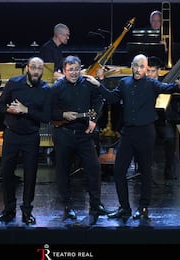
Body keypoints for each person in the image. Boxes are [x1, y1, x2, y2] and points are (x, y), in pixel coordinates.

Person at [96, 54, 180, 221]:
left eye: (142, 67)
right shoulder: (124, 83)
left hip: (146, 133)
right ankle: (124, 208)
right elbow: (111, 97)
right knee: (119, 171)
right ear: (131, 66)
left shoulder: (151, 84)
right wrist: (99, 82)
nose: (138, 69)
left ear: (146, 69)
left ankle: (143, 208)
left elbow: (168, 88)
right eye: (136, 66)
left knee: (145, 172)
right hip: (128, 134)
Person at [50, 55, 111, 225]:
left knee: (93, 168)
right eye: (70, 70)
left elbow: (99, 99)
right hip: (63, 134)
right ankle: (67, 206)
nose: (74, 73)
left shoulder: (88, 84)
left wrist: (94, 119)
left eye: (77, 69)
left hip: (84, 133)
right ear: (64, 71)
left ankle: (95, 204)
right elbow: (48, 110)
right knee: (63, 171)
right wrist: (62, 115)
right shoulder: (56, 88)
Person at [0, 57, 51, 224]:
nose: (36, 71)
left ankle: (27, 211)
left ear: (42, 70)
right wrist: (9, 110)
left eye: (40, 68)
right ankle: (9, 210)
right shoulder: (13, 83)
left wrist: (26, 110)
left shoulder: (45, 89)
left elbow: (46, 117)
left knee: (30, 175)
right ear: (27, 68)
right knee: (6, 173)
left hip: (31, 137)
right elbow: (0, 106)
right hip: (11, 135)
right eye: (33, 67)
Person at [147, 56, 180, 182]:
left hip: (162, 119)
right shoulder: (143, 82)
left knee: (171, 138)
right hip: (147, 120)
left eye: (153, 71)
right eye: (148, 71)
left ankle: (169, 168)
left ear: (158, 71)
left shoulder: (165, 80)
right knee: (143, 137)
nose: (150, 74)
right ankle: (144, 169)